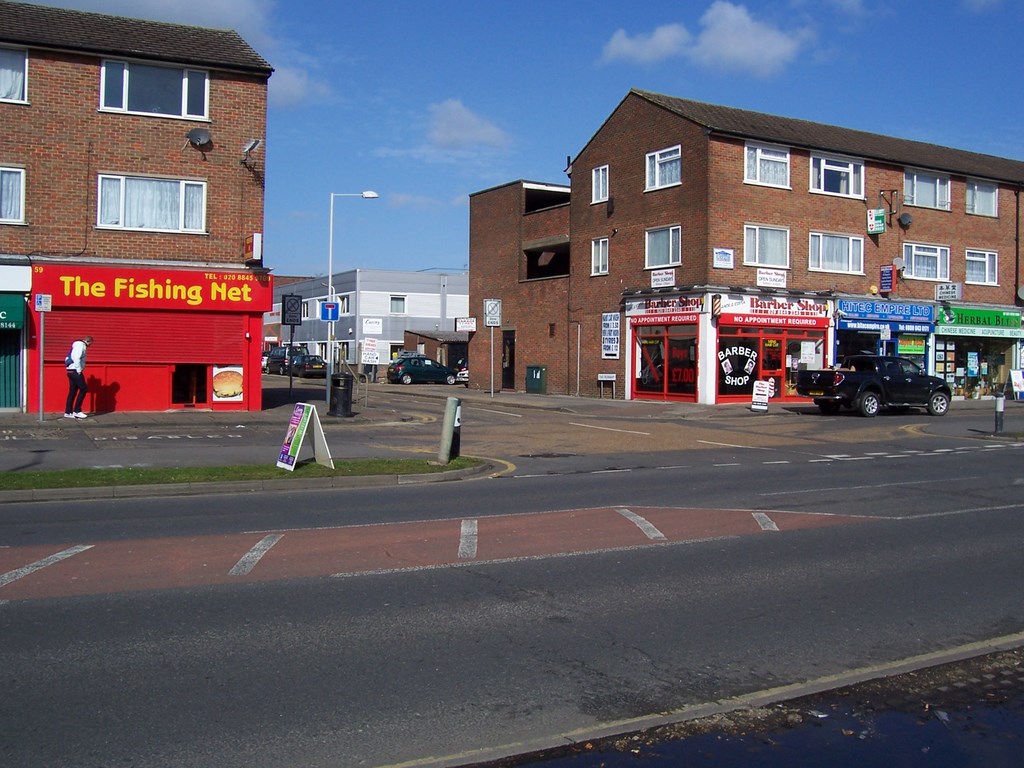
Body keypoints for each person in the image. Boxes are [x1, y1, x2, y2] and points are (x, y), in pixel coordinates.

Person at [64, 336, 93, 419]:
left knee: (73, 391)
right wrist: (79, 370)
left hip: (70, 370)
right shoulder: (81, 345)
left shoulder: (76, 345)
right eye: (90, 344)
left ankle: (68, 412)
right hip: (75, 371)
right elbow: (76, 358)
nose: (90, 346)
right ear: (88, 341)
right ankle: (77, 411)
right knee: (84, 389)